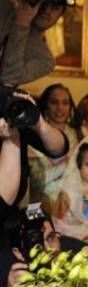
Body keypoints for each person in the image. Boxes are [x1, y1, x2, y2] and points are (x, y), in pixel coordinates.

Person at [0, 89, 68, 225]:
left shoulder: (8, 102)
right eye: (54, 102)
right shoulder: (11, 139)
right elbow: (2, 203)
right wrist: (11, 141)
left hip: (18, 211)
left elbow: (60, 148)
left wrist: (40, 124)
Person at [0, 0, 71, 85]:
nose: (47, 10)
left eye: (55, 7)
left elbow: (9, 78)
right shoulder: (4, 6)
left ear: (59, 17)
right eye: (42, 1)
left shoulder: (45, 60)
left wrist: (22, 22)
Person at [28, 83, 78, 215]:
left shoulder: (76, 134)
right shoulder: (34, 135)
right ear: (45, 106)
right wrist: (66, 164)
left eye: (65, 103)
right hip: (38, 206)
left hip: (72, 203)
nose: (60, 108)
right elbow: (36, 181)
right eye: (54, 102)